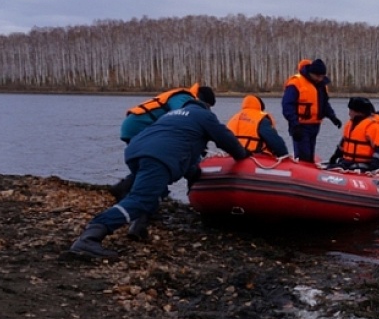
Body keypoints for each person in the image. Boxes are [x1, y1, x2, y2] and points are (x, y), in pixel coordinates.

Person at [70, 90, 249, 258]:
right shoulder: (204, 116)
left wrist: (193, 173)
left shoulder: (172, 115)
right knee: (142, 199)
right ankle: (91, 236)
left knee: (155, 189)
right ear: (207, 106)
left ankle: (138, 226)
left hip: (137, 150)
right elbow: (227, 141)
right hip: (158, 155)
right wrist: (243, 156)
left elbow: (184, 151)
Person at [109, 84, 216, 201]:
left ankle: (124, 189)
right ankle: (130, 193)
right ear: (200, 99)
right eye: (206, 105)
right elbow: (184, 119)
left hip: (136, 126)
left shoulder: (181, 97)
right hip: (140, 126)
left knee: (148, 164)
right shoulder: (183, 98)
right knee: (154, 164)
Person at [281, 58, 342, 162]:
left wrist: (333, 117)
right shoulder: (296, 83)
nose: (320, 79)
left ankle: (309, 172)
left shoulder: (321, 86)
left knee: (309, 156)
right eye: (317, 76)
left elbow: (324, 104)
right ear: (311, 73)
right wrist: (295, 124)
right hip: (300, 125)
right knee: (303, 155)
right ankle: (301, 173)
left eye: (322, 76)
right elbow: (287, 106)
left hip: (314, 125)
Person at [327, 97, 379, 171]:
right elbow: (343, 143)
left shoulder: (373, 127)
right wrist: (335, 157)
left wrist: (374, 167)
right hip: (349, 162)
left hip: (366, 163)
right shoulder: (350, 125)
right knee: (335, 167)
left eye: (351, 111)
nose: (349, 113)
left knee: (351, 167)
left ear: (360, 112)